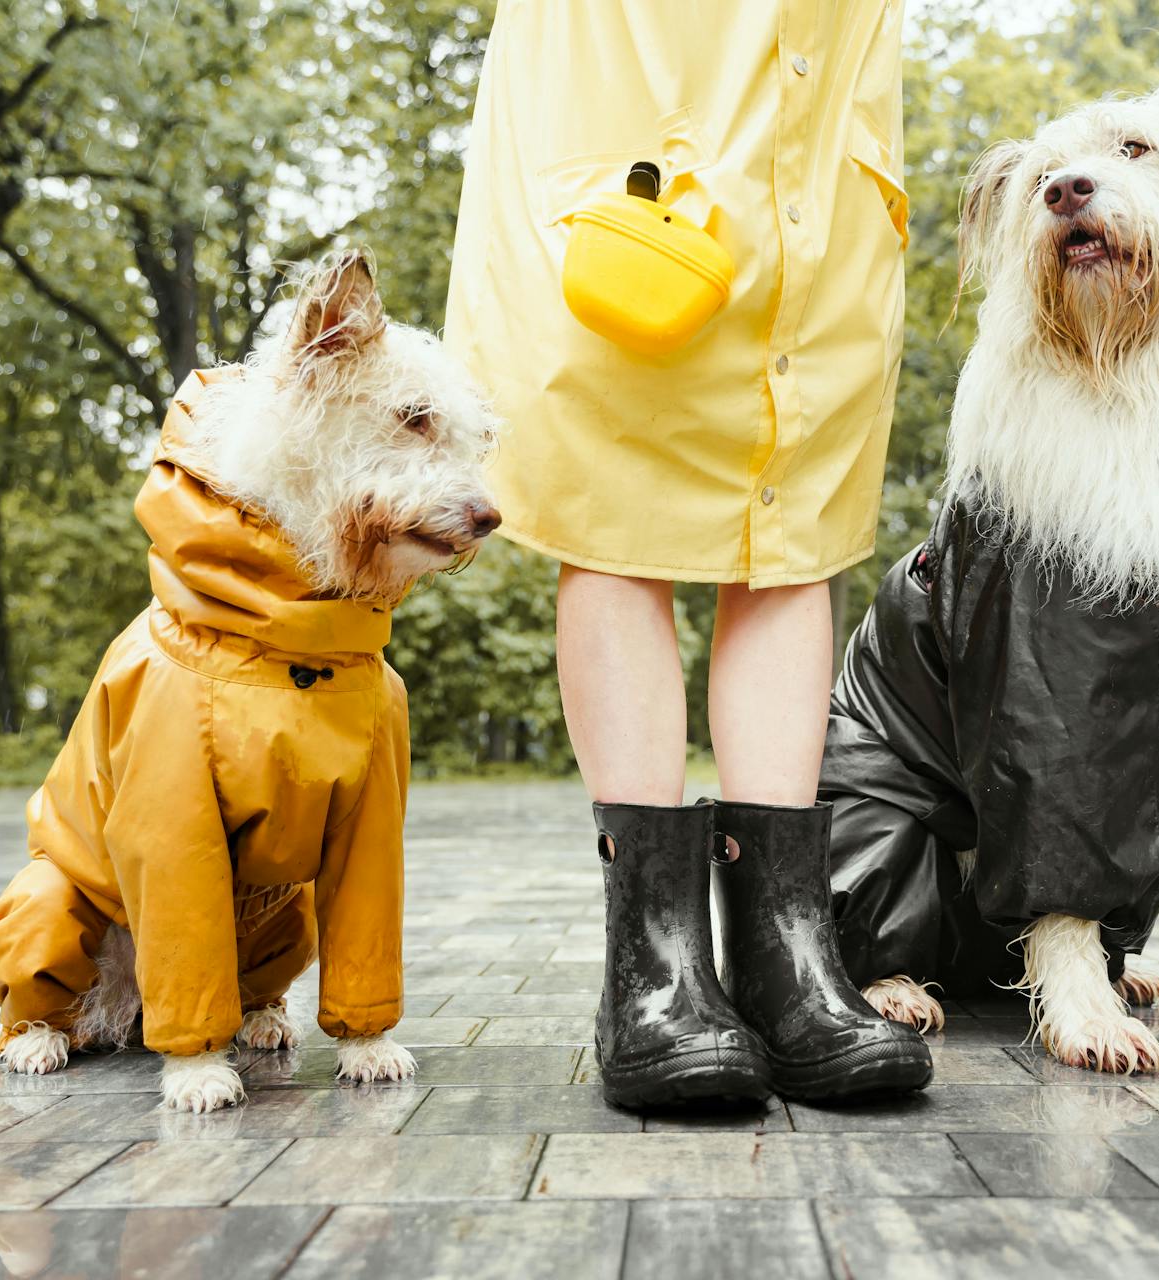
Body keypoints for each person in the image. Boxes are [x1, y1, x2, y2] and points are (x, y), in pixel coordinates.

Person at [446, 0, 932, 1107]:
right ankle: (654, 968)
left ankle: (786, 960)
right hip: (628, 117)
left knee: (790, 524)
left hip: (824, 141)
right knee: (616, 503)